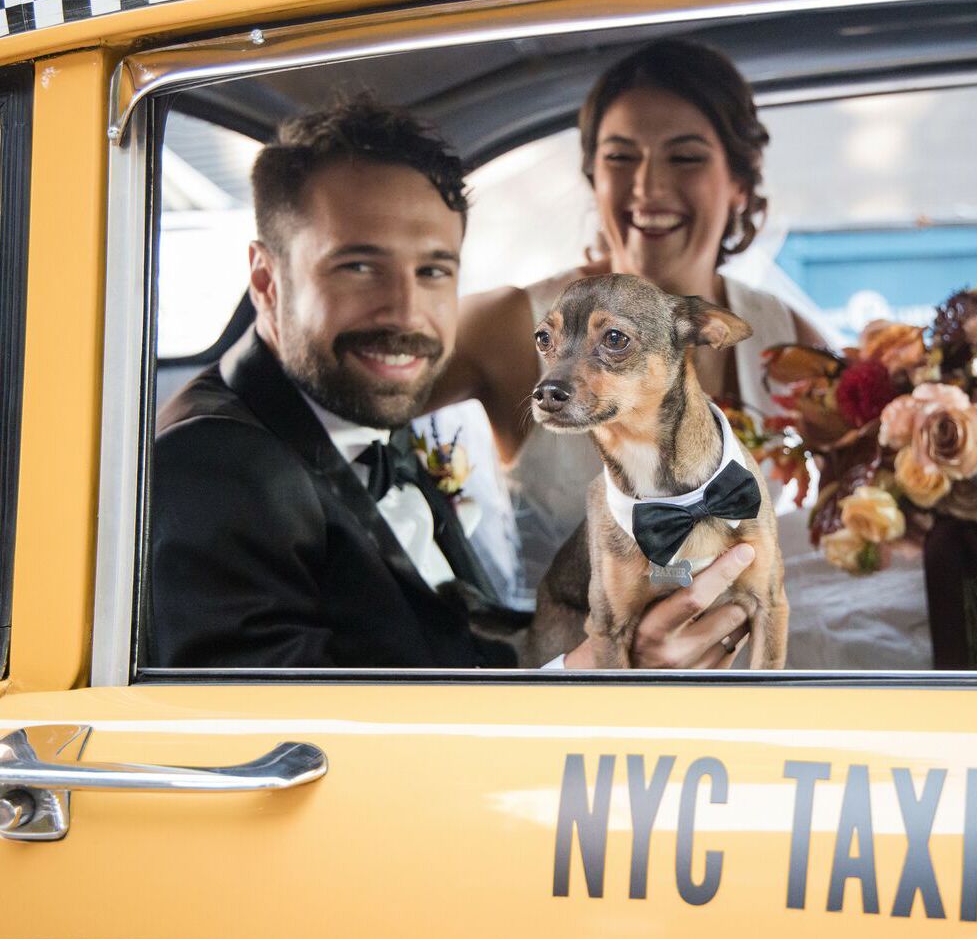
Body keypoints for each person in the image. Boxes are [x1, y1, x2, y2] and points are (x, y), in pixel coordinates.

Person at [149, 96, 753, 669]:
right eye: (359, 266)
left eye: (433, 270)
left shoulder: (355, 406)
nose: (407, 314)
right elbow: (288, 748)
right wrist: (593, 672)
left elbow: (447, 646)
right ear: (266, 278)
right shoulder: (212, 466)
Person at [431, 39, 827, 607]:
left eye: (685, 157)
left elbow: (865, 501)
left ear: (739, 183)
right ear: (594, 176)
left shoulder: (783, 337)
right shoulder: (508, 325)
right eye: (620, 157)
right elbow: (352, 397)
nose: (648, 188)